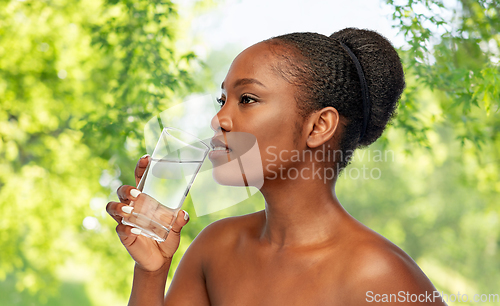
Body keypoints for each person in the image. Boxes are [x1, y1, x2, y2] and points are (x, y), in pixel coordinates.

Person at [107, 28, 447, 305]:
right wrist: (151, 271)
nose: (219, 119)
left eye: (248, 99)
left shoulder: (379, 277)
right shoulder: (216, 248)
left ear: (318, 126)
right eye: (222, 99)